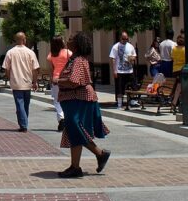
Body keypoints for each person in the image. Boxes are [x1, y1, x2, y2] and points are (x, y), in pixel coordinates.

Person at [56, 32, 110, 178]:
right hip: (73, 99)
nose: (68, 40)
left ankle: (100, 153)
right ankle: (75, 166)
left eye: (71, 39)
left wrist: (58, 81)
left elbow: (74, 81)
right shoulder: (73, 59)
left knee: (76, 128)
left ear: (78, 44)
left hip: (79, 98)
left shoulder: (78, 60)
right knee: (73, 130)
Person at [3, 32, 40, 132]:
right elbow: (35, 69)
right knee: (25, 105)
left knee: (20, 104)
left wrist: (9, 77)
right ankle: (24, 123)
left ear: (16, 40)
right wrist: (35, 82)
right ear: (24, 40)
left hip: (16, 82)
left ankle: (23, 124)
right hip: (27, 82)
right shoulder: (30, 52)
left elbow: (6, 68)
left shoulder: (10, 52)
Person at [47, 37, 72, 132]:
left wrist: (51, 79)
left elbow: (51, 68)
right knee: (66, 99)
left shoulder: (52, 54)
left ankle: (61, 118)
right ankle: (66, 119)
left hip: (56, 79)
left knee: (57, 101)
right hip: (66, 78)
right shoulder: (67, 52)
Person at [109, 31, 136, 110]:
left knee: (132, 86)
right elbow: (112, 58)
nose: (125, 40)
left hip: (129, 70)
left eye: (126, 39)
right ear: (120, 38)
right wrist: (114, 70)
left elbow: (134, 56)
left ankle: (132, 101)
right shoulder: (116, 47)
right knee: (119, 88)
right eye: (123, 39)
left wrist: (132, 58)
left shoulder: (130, 46)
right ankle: (119, 104)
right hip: (120, 71)